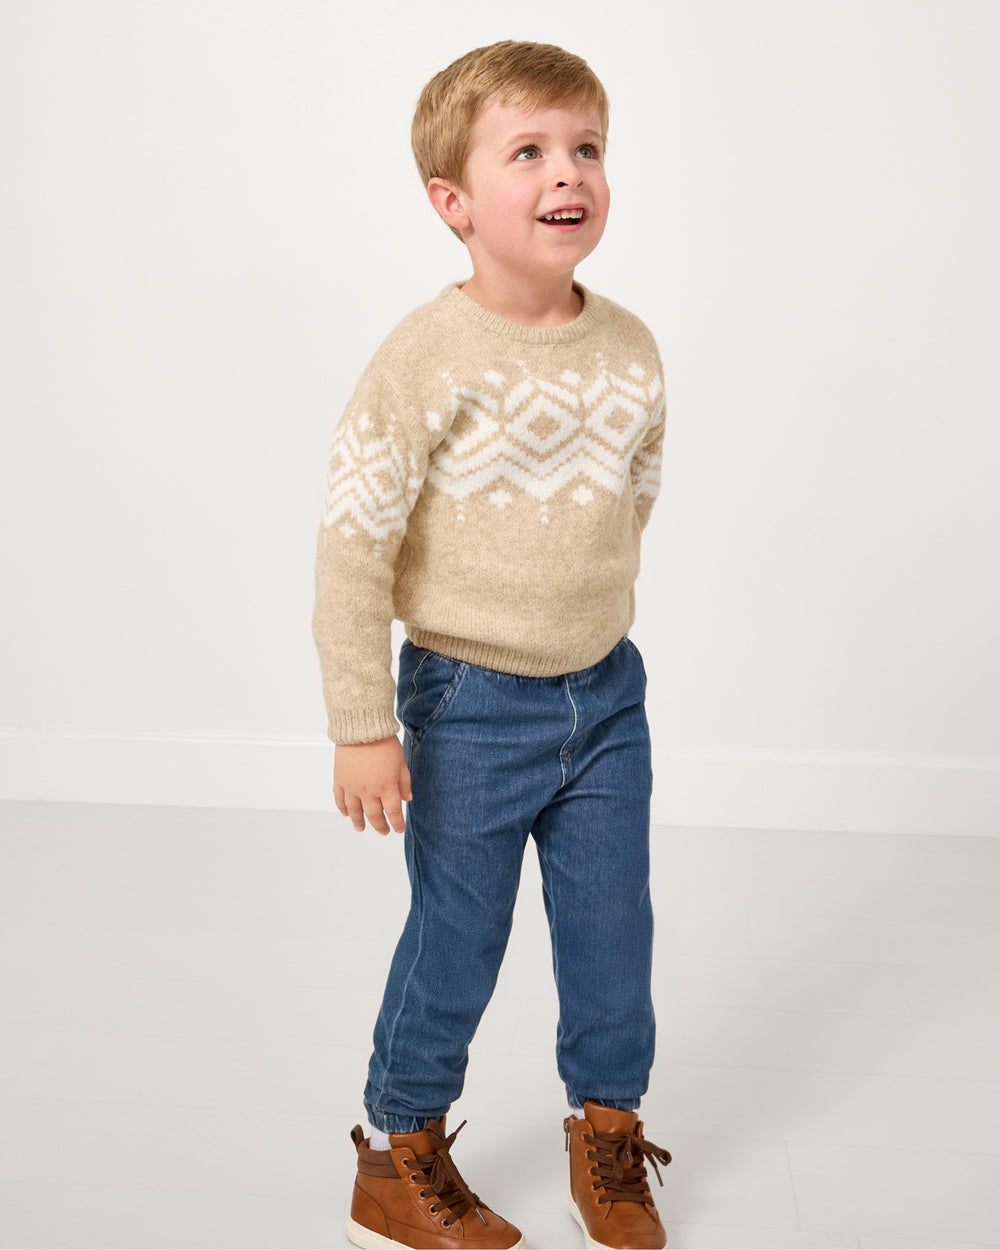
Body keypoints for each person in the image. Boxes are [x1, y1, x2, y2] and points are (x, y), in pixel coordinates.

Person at [312, 39, 672, 1250]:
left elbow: (635, 498)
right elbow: (354, 544)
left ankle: (607, 1130)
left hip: (606, 695)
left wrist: (585, 620)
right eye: (528, 151)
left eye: (585, 148)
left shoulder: (627, 346)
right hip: (469, 699)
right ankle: (398, 1143)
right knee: (458, 934)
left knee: (613, 924)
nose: (567, 172)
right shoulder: (427, 356)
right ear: (453, 204)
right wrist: (364, 721)